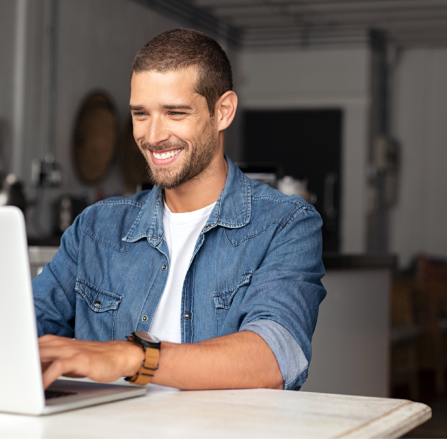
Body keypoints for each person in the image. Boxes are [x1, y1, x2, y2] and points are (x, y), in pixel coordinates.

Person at [33, 28, 325, 391]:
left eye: (175, 112)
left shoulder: (286, 224)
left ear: (223, 111)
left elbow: (273, 357)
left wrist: (133, 357)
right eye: (141, 114)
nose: (154, 136)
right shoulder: (95, 227)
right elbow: (22, 329)